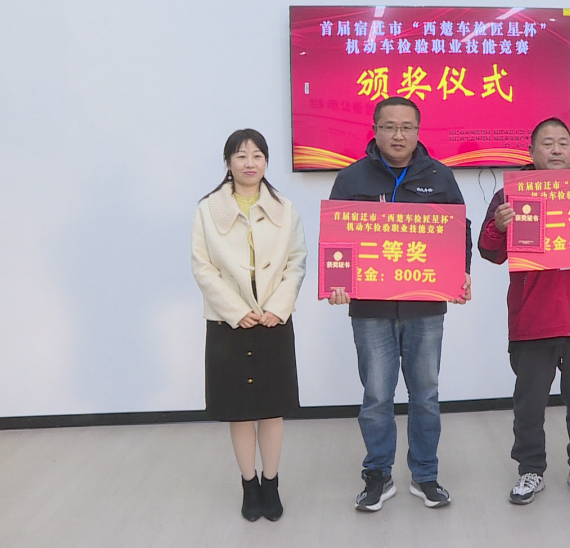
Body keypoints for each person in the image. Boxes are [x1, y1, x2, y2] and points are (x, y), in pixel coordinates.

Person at [327, 96, 472, 512]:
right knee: (377, 396)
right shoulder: (351, 178)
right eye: (389, 126)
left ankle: (426, 475)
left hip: (424, 308)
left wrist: (461, 274)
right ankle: (378, 474)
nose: (398, 135)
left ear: (418, 132)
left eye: (407, 127)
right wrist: (337, 282)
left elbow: (459, 232)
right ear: (375, 129)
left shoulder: (439, 176)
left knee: (425, 394)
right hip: (371, 309)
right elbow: (336, 238)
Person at [478, 117, 570, 505]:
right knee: (529, 404)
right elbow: (489, 253)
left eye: (563, 143)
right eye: (547, 143)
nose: (556, 150)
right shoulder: (509, 195)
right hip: (533, 318)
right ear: (531, 151)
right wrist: (499, 227)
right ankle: (530, 470)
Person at [191, 128, 307, 522]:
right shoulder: (208, 209)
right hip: (229, 324)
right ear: (228, 163)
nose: (249, 163)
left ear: (266, 162)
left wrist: (278, 307)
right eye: (241, 156)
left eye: (257, 155)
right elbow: (202, 267)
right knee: (239, 411)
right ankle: (248, 484)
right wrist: (235, 310)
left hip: (274, 321)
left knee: (272, 409)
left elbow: (296, 261)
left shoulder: (285, 208)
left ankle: (271, 483)